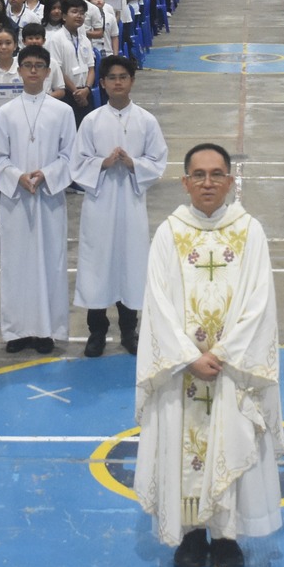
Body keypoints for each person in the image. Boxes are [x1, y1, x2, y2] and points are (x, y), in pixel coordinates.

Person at [134, 142, 282, 567]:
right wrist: (187, 357)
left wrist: (221, 353)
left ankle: (226, 535)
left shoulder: (250, 232)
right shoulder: (169, 233)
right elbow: (156, 303)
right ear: (184, 182)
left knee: (231, 438)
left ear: (230, 181)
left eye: (217, 174)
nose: (208, 183)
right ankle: (191, 534)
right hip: (182, 371)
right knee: (184, 444)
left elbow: (260, 302)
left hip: (232, 368)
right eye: (198, 175)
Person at [71, 55, 167, 356]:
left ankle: (129, 329)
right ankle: (96, 331)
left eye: (123, 77)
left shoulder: (146, 120)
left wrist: (132, 163)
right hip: (100, 204)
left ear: (132, 81)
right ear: (102, 83)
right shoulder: (92, 120)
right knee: (98, 265)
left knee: (131, 263)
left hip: (131, 203)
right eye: (111, 77)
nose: (117, 82)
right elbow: (77, 163)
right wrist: (103, 163)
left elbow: (158, 160)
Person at [0, 44, 76, 354]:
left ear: (48, 71)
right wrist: (18, 176)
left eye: (39, 65)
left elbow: (70, 156)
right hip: (16, 199)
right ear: (19, 70)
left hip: (48, 197)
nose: (33, 71)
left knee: (50, 263)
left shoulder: (62, 111)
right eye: (28, 65)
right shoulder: (5, 113)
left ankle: (46, 331)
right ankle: (17, 331)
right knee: (15, 265)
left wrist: (46, 175)